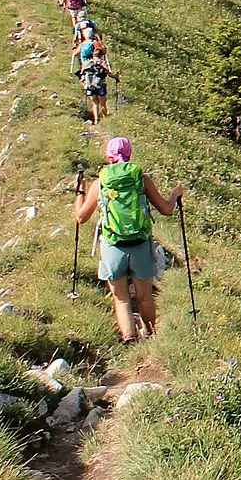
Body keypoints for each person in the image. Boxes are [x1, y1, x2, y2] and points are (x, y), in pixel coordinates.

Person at [73, 138, 181, 343]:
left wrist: (80, 192)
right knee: (145, 296)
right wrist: (175, 194)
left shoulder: (100, 182)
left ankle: (130, 337)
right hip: (140, 244)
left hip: (113, 245)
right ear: (130, 155)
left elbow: (80, 217)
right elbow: (166, 210)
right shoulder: (141, 179)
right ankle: (150, 334)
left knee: (121, 298)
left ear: (108, 157)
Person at [77, 39, 116, 121]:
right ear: (101, 55)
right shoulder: (102, 63)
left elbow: (82, 74)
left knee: (95, 103)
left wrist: (84, 83)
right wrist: (116, 77)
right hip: (100, 85)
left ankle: (96, 120)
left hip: (90, 85)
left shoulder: (88, 63)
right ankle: (106, 118)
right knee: (103, 103)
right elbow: (109, 73)